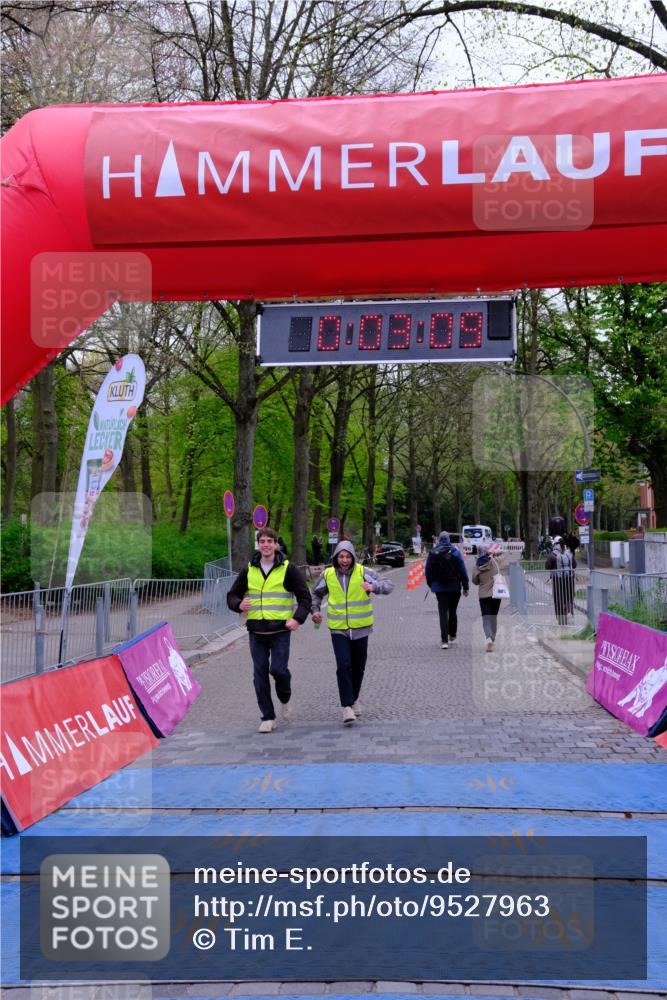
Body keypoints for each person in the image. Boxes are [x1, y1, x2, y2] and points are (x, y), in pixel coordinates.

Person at [227, 527, 311, 733]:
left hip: (281, 630)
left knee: (278, 670)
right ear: (258, 545)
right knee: (259, 674)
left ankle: (285, 697)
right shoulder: (249, 569)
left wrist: (297, 618)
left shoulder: (288, 569)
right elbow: (232, 595)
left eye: (269, 541)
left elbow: (304, 597)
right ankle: (267, 716)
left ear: (276, 545)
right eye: (262, 541)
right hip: (256, 632)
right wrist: (239, 604)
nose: (265, 545)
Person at [311, 540, 394, 725]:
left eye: (348, 556)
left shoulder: (363, 572)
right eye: (341, 556)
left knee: (358, 667)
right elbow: (315, 593)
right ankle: (347, 707)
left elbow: (389, 585)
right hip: (338, 628)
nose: (344, 560)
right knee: (343, 665)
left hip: (360, 628)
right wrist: (315, 611)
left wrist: (374, 587)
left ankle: (354, 698)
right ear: (336, 557)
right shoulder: (328, 574)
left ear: (353, 557)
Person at [424, 530, 469, 649]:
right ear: (449, 539)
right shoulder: (455, 552)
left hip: (439, 587)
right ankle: (452, 635)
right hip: (454, 586)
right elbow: (463, 570)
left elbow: (427, 571)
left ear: (439, 539)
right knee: (453, 611)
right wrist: (466, 587)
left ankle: (444, 641)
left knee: (443, 612)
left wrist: (431, 585)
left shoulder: (433, 552)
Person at [471, 544, 506, 652]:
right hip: (496, 594)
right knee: (493, 617)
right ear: (487, 551)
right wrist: (494, 553)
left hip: (483, 595)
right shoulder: (495, 561)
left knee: (486, 618)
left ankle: (488, 638)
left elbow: (475, 581)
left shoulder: (476, 566)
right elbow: (504, 555)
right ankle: (493, 638)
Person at [545, 535, 577, 625]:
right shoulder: (569, 553)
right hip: (570, 580)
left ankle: (561, 621)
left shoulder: (553, 554)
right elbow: (574, 565)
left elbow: (547, 567)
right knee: (569, 598)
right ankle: (570, 614)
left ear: (555, 544)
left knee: (559, 600)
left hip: (557, 581)